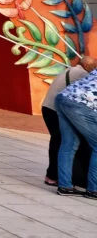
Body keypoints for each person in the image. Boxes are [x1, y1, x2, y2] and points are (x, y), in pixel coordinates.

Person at [44, 57, 96, 187]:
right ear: (85, 65)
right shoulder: (83, 73)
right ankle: (92, 187)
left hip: (55, 104)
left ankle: (62, 183)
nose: (93, 67)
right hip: (72, 107)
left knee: (64, 143)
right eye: (92, 65)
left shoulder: (70, 70)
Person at [55, 62, 97, 198]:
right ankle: (94, 189)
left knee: (68, 145)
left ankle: (65, 186)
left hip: (64, 97)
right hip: (80, 104)